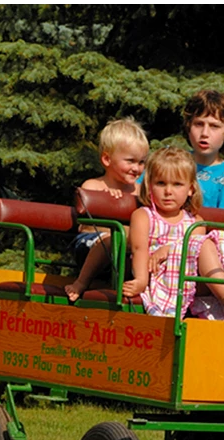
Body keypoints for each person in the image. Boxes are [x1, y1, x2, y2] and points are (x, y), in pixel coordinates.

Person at [135, 148, 224, 319]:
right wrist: (140, 281)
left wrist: (168, 248)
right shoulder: (145, 216)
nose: (168, 191)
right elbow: (139, 250)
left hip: (194, 276)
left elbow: (192, 249)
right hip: (164, 276)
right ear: (149, 185)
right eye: (160, 183)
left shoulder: (195, 220)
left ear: (190, 189)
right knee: (202, 243)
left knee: (219, 237)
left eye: (177, 184)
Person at [65, 118, 149, 302]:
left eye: (141, 162)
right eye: (130, 161)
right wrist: (107, 202)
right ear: (107, 159)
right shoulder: (94, 186)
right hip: (91, 246)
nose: (137, 168)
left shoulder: (141, 191)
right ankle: (81, 282)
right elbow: (85, 226)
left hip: (126, 251)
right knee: (114, 239)